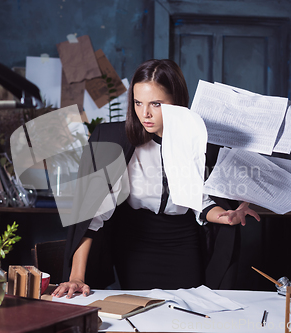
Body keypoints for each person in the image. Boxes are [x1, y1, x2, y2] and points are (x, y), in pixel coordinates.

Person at [53, 59, 260, 298]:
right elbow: (91, 217)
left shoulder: (197, 141)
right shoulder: (112, 140)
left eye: (156, 104)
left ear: (177, 102)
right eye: (138, 103)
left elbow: (200, 202)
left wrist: (225, 218)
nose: (145, 113)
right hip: (135, 245)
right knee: (142, 313)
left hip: (184, 242)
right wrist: (77, 277)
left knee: (186, 312)